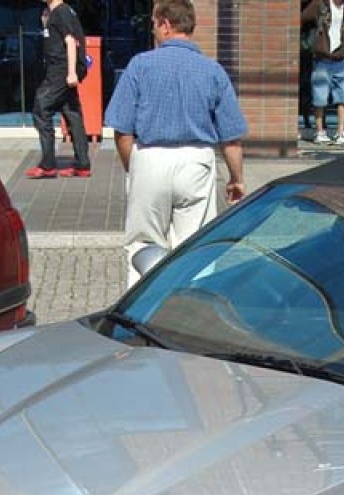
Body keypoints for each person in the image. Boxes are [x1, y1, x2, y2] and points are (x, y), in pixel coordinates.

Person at [105, 0, 248, 287]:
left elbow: (122, 130)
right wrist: (236, 179)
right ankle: (188, 311)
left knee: (143, 246)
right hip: (197, 162)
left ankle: (138, 314)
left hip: (150, 158)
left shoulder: (140, 65)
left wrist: (133, 167)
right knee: (195, 247)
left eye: (155, 26)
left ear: (166, 25)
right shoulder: (213, 71)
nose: (154, 32)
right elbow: (231, 137)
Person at [27, 0, 91, 179]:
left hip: (60, 70)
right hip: (61, 69)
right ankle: (82, 164)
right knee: (71, 112)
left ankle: (47, 165)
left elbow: (70, 42)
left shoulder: (61, 12)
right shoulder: (57, 12)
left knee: (41, 109)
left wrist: (71, 73)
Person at [301, 0, 344, 146]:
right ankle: (320, 132)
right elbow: (301, 18)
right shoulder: (320, 4)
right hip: (322, 59)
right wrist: (310, 43)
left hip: (341, 58)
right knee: (320, 97)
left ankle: (340, 132)